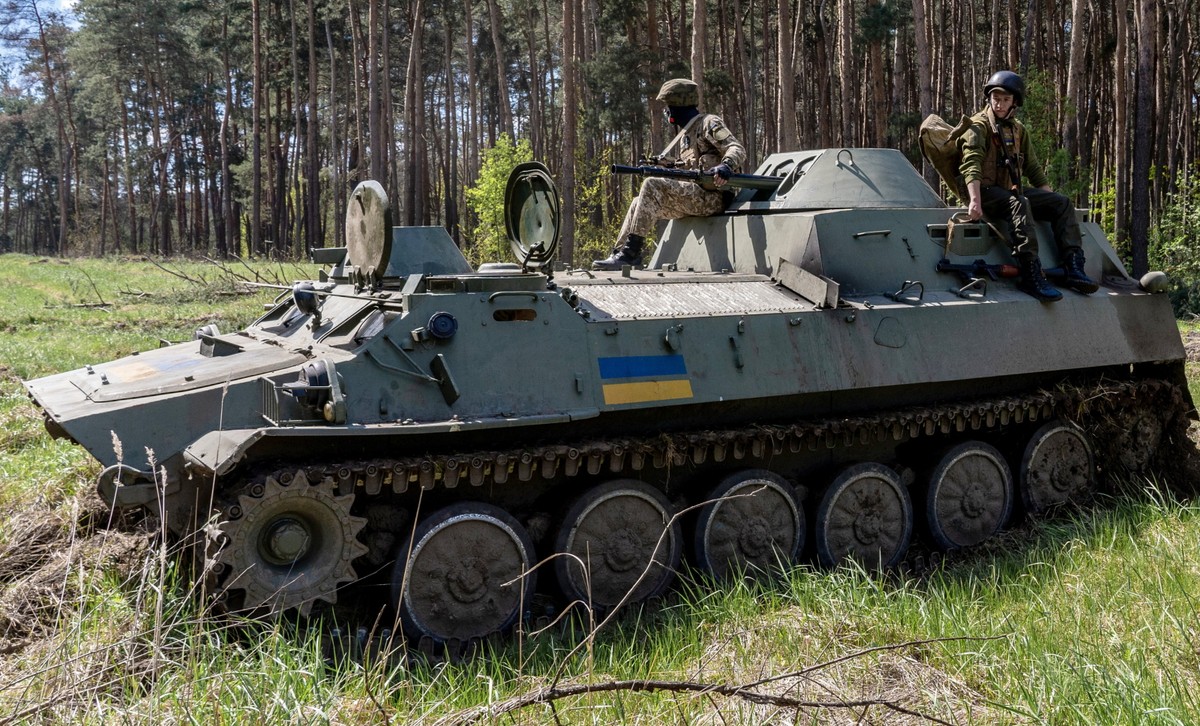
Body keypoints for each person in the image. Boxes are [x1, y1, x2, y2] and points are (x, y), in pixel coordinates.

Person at [959, 70, 1098, 302]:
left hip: (1007, 192)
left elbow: (1033, 168)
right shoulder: (978, 127)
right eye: (995, 98)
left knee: (1061, 203)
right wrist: (974, 200)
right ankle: (1031, 275)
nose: (999, 104)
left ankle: (1074, 268)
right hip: (983, 192)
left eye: (1005, 99)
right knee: (1018, 202)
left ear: (1015, 103)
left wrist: (1049, 201)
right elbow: (970, 164)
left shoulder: (1017, 129)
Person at [593, 78, 747, 271]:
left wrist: (726, 166)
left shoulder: (708, 123)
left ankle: (631, 254)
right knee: (637, 201)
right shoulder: (686, 136)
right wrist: (670, 165)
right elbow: (692, 168)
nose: (666, 111)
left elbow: (737, 148)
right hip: (696, 198)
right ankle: (620, 253)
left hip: (715, 198)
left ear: (677, 106)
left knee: (651, 184)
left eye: (668, 106)